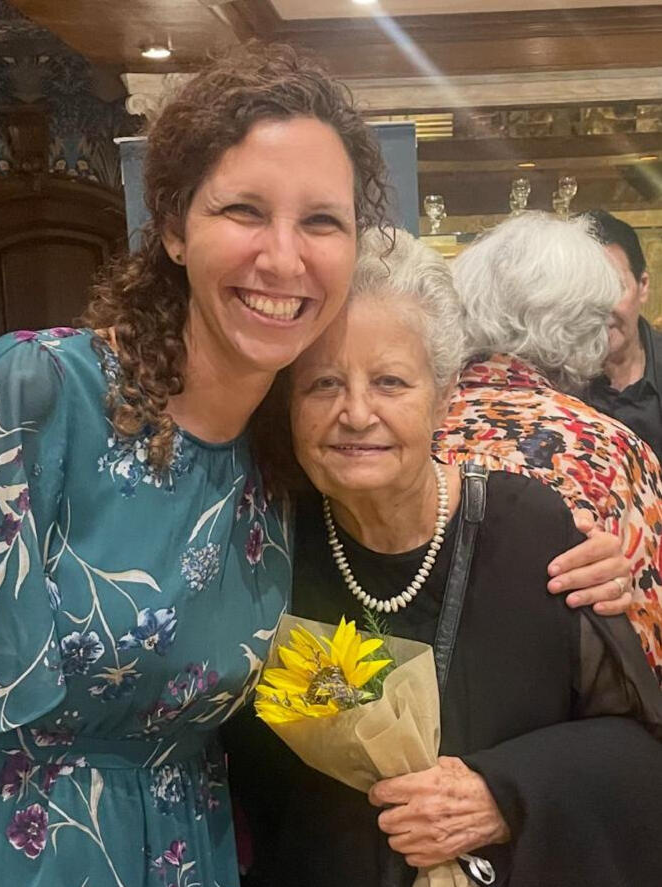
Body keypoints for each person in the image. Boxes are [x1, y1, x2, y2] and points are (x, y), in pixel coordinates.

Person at [0, 43, 391, 887]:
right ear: (173, 226)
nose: (284, 256)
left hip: (188, 847)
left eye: (322, 220)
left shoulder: (286, 451)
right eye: (244, 211)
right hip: (2, 845)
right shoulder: (32, 395)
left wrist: (590, 560)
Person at [230, 228, 662, 887]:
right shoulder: (272, 545)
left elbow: (638, 748)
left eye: (390, 381)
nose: (354, 412)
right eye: (321, 384)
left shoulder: (535, 534)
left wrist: (504, 792)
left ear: (443, 397)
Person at [433, 211, 662, 684]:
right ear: (586, 327)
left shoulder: (409, 428)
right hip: (564, 736)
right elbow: (648, 647)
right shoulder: (613, 452)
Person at [585, 209, 662, 463]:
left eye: (615, 287)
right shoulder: (552, 380)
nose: (600, 305)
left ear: (644, 286)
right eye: (585, 288)